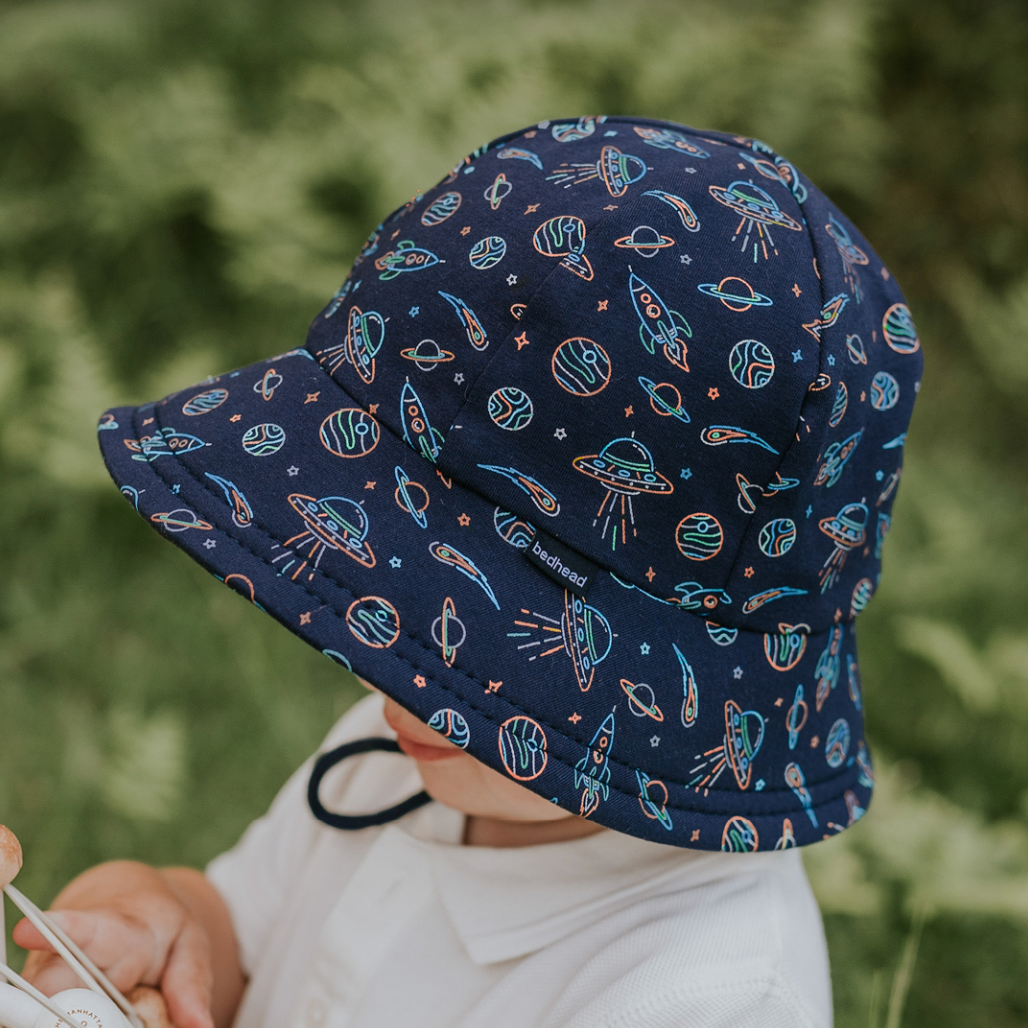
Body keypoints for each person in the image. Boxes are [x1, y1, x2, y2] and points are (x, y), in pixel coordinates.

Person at [14, 115, 922, 1028]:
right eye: (399, 594)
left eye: (476, 643)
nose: (398, 679)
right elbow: (240, 941)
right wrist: (163, 919)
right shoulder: (410, 748)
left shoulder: (705, 994)